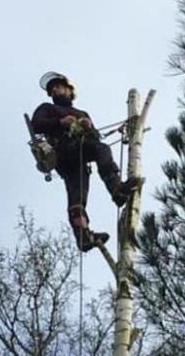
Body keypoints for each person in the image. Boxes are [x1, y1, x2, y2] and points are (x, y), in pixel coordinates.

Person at [31, 71, 139, 251]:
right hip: (63, 151)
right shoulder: (47, 108)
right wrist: (60, 122)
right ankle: (116, 188)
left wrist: (89, 129)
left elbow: (94, 138)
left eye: (58, 87)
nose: (55, 91)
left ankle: (83, 236)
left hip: (79, 154)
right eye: (52, 90)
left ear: (68, 89)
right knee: (101, 150)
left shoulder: (81, 113)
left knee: (77, 195)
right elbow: (36, 125)